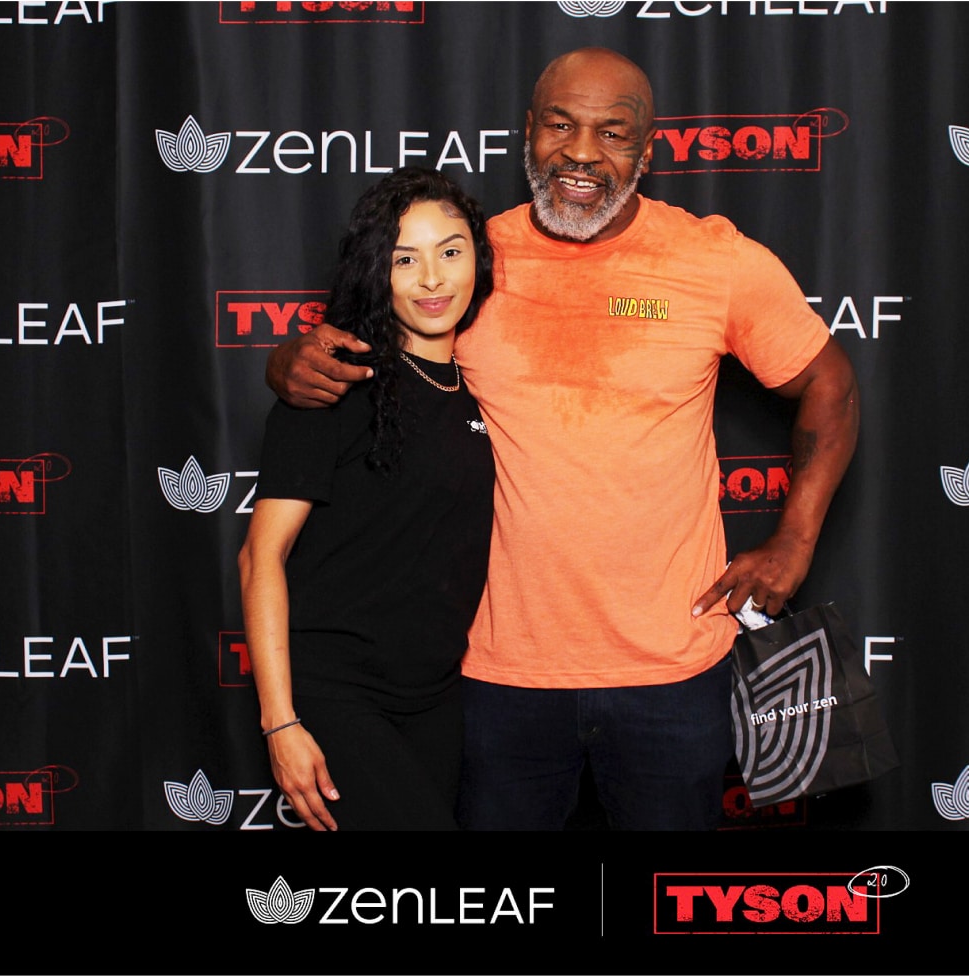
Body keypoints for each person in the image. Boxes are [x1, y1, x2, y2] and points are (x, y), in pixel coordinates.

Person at [266, 49, 859, 830]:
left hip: (673, 674)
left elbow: (831, 384)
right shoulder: (473, 259)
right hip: (493, 677)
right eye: (561, 124)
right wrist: (288, 360)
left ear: (646, 153)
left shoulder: (715, 262)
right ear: (528, 134)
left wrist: (796, 541)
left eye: (613, 133)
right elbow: (364, 338)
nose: (582, 152)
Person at [238, 167, 495, 831]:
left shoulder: (474, 386)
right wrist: (280, 722)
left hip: (435, 696)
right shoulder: (330, 383)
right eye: (405, 259)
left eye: (451, 251)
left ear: (478, 258)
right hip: (335, 693)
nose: (433, 280)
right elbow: (260, 556)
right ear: (376, 270)